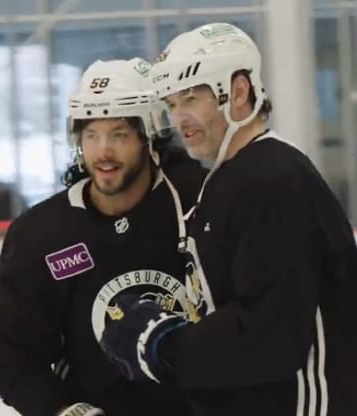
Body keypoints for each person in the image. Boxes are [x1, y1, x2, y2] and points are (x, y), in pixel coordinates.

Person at [100, 23, 357, 416]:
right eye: (172, 104)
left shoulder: (273, 179)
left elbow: (272, 335)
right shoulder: (228, 178)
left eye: (191, 98)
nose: (180, 117)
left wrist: (165, 348)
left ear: (238, 92)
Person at [0, 57, 206, 416]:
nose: (103, 152)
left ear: (148, 138)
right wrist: (59, 408)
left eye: (119, 135)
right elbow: (11, 353)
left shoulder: (200, 203)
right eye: (91, 135)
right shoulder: (42, 233)